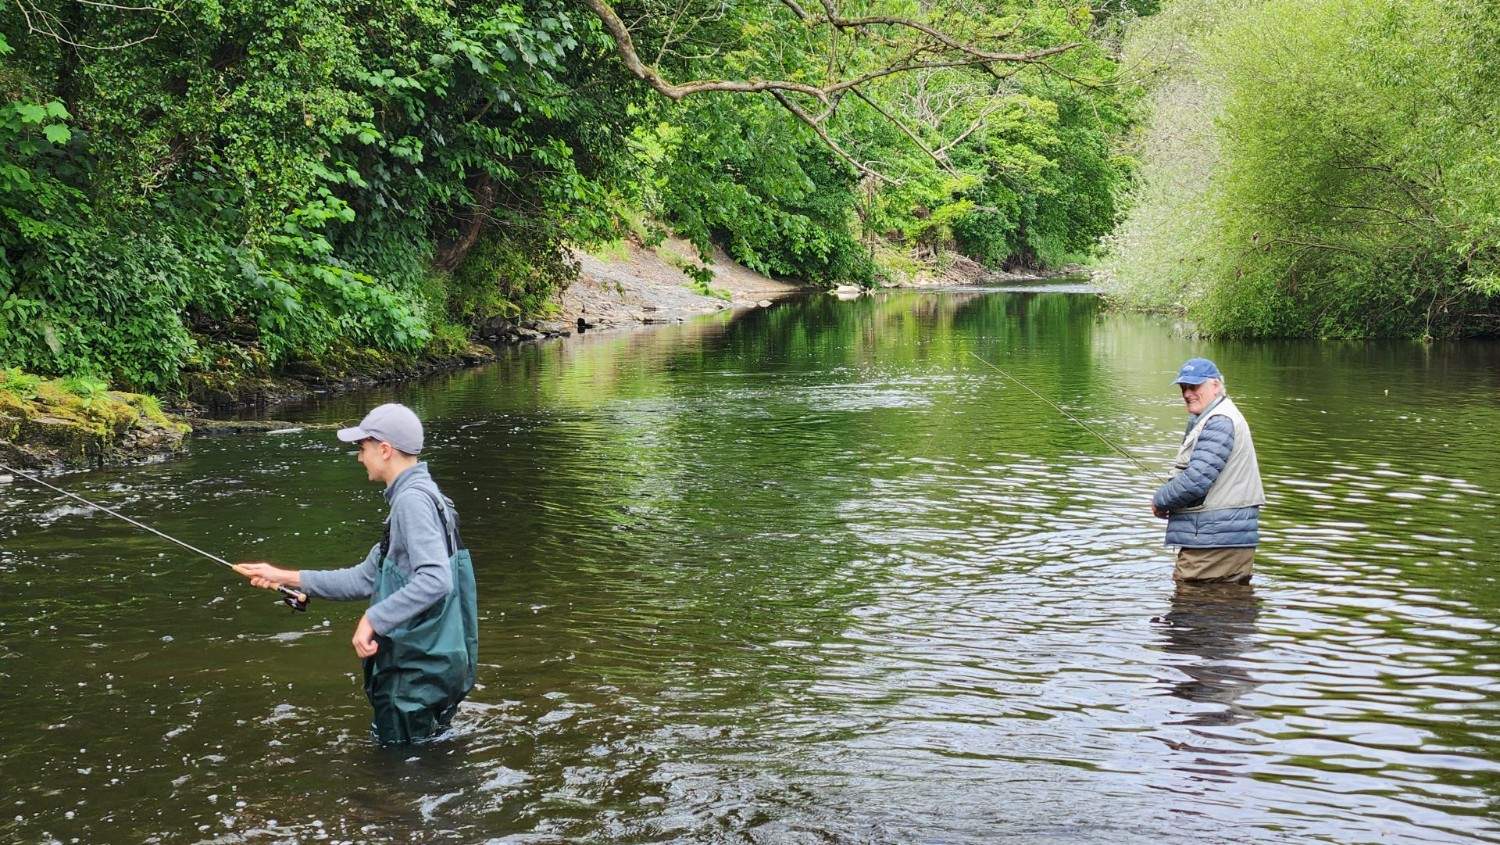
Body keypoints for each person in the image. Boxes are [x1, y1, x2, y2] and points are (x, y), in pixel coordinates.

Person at [235, 403, 478, 744]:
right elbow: (366, 578)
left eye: (362, 448)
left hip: (415, 675)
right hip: (439, 665)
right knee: (429, 762)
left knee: (401, 774)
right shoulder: (429, 496)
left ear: (384, 449)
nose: (359, 457)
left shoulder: (411, 502)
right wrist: (283, 577)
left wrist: (373, 619)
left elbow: (436, 579)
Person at [1151, 358, 1266, 583]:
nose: (1187, 393)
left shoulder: (1220, 421)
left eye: (1194, 386)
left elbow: (1197, 480)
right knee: (1228, 608)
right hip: (1223, 538)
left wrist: (1161, 499)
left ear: (1215, 385)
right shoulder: (1214, 417)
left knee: (1190, 608)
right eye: (1184, 387)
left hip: (1214, 542)